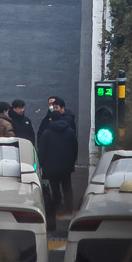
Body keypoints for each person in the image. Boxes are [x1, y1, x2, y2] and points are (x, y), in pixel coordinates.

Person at [35, 97, 80, 228]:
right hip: (66, 165)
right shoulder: (70, 131)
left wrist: (41, 163)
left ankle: (58, 207)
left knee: (54, 188)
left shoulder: (47, 133)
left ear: (51, 119)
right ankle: (69, 208)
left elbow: (42, 149)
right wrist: (72, 160)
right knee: (67, 186)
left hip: (51, 166)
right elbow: (74, 147)